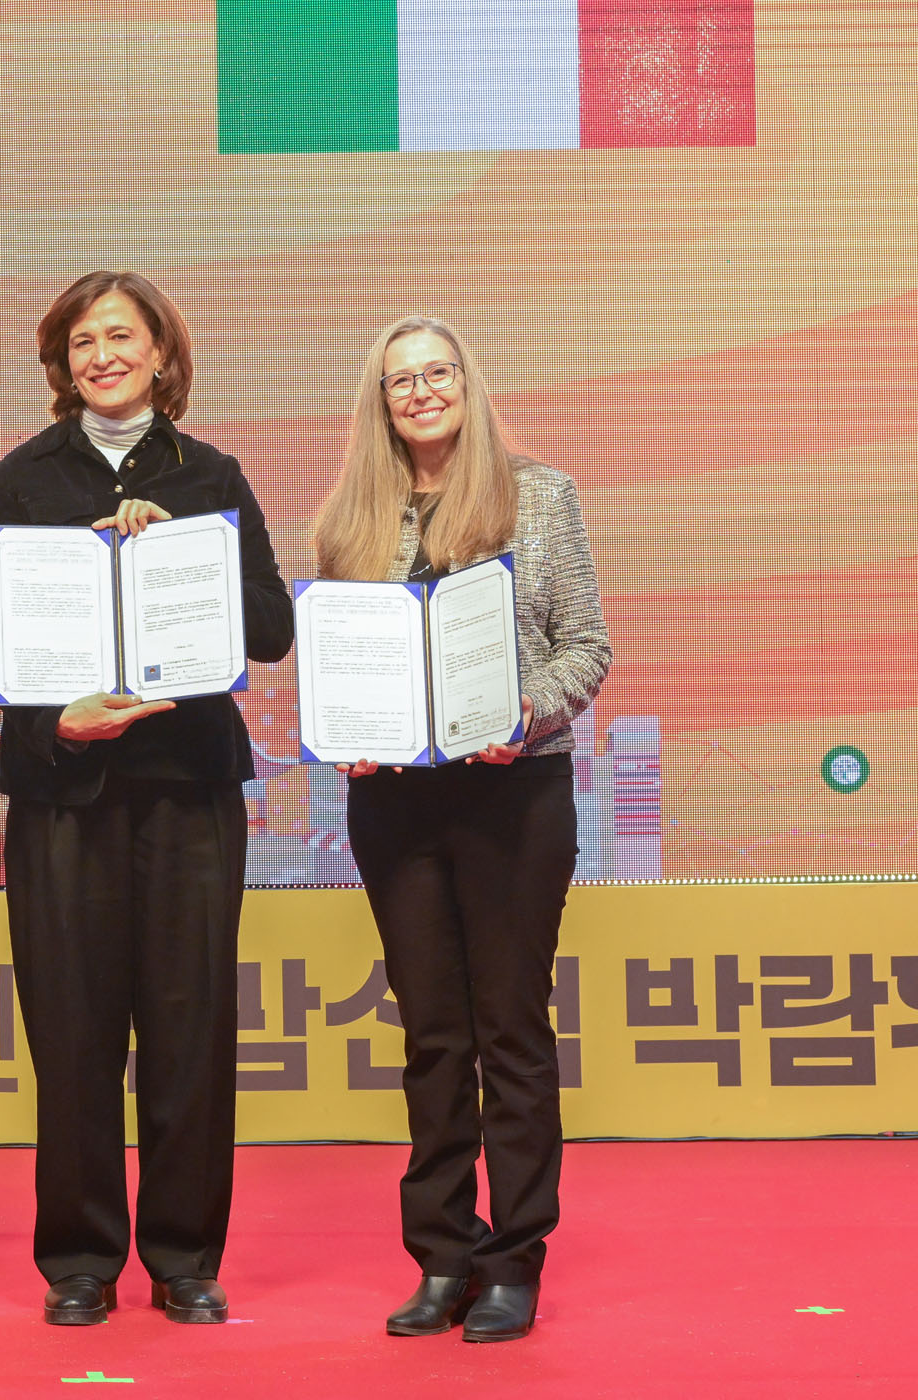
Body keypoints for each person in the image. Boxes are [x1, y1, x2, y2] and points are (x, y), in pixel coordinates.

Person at [0, 271, 294, 1326]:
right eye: (82, 342)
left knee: (188, 1024)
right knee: (70, 1031)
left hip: (188, 788)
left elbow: (271, 627)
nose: (102, 356)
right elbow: (0, 651)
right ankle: (79, 1260)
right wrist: (57, 724)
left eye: (121, 336)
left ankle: (184, 1256)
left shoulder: (210, 475)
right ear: (61, 364)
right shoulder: (22, 477)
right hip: (62, 793)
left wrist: (184, 553)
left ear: (161, 353)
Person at [313, 314, 611, 1343]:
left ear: (467, 382)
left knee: (511, 1031)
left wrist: (522, 715)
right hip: (395, 801)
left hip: (513, 793)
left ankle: (513, 1258)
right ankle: (442, 1254)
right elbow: (340, 661)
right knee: (433, 1037)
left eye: (438, 372)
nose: (422, 391)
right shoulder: (350, 520)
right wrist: (347, 733)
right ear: (381, 401)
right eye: (401, 380)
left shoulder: (540, 496)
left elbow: (586, 647)